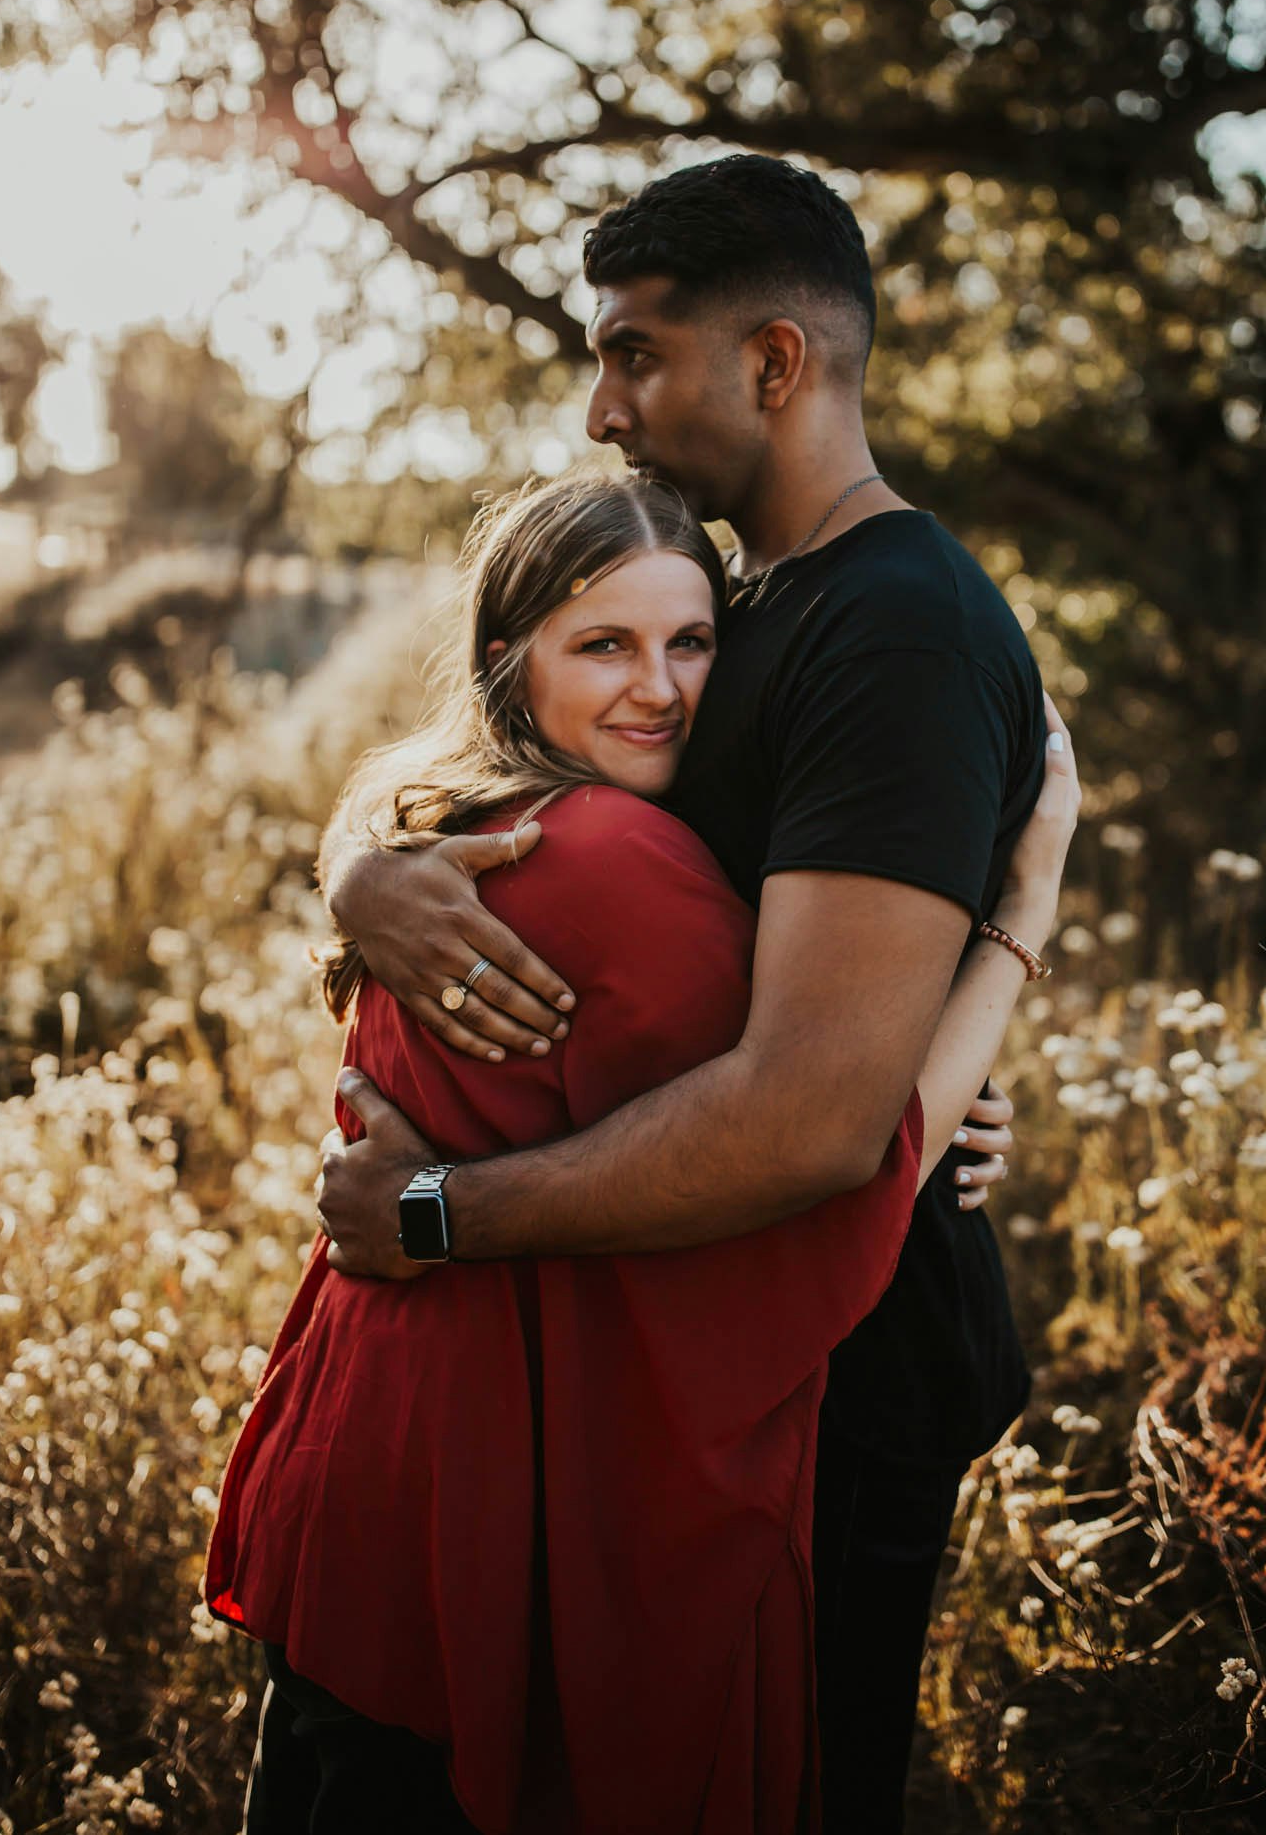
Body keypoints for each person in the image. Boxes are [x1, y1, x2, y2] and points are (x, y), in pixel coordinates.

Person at [317, 154, 1071, 1829]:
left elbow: (811, 1121)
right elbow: (504, 745)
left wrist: (434, 1211)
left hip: (839, 1369)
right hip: (680, 1335)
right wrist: (363, 866)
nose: (601, 409)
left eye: (635, 353)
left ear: (776, 363)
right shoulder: (743, 602)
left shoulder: (899, 633)